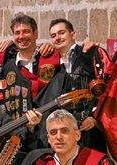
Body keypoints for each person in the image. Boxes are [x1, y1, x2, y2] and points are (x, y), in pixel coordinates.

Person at [38, 18, 107, 151]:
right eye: (53, 35)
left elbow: (106, 90)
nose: (57, 38)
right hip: (63, 135)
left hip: (88, 132)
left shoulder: (90, 54)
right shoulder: (52, 63)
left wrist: (95, 119)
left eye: (61, 33)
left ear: (73, 34)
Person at [0, 14, 60, 123]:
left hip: (48, 128)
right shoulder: (7, 67)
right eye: (17, 33)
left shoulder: (51, 59)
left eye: (26, 31)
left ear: (36, 34)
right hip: (20, 130)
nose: (21, 36)